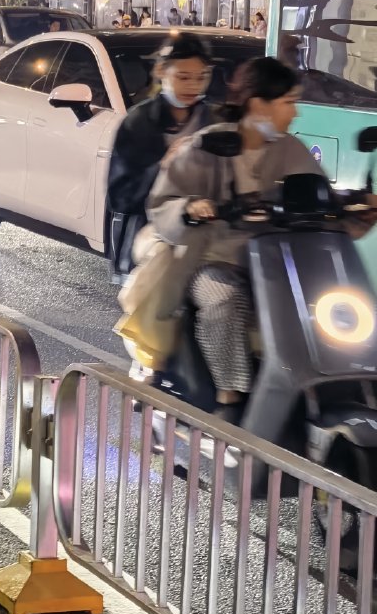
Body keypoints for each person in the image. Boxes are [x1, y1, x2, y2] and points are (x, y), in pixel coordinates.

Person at [147, 57, 323, 410]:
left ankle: (311, 385)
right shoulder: (207, 145)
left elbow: (318, 198)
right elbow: (161, 203)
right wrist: (190, 208)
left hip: (277, 264)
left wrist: (357, 207)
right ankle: (229, 395)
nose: (295, 113)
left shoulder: (292, 150)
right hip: (213, 259)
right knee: (224, 300)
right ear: (259, 105)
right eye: (288, 102)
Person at [107, 34, 216, 282]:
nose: (193, 86)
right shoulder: (138, 122)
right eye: (183, 77)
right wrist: (163, 166)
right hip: (149, 239)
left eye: (201, 77)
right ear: (161, 71)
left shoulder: (212, 119)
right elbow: (120, 196)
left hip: (202, 239)